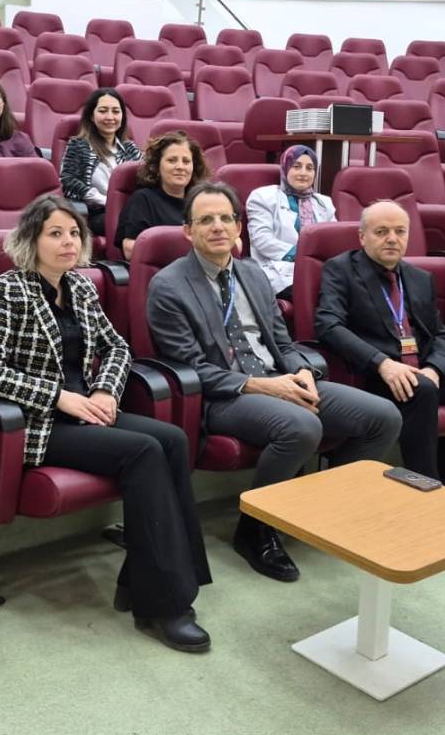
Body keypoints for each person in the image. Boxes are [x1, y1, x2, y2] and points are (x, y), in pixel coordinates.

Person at [0, 196, 211, 653]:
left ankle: (148, 578)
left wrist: (104, 393)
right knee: (144, 451)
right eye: (55, 233)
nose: (68, 242)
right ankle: (163, 605)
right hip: (41, 422)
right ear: (31, 240)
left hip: (90, 411)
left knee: (174, 440)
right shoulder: (7, 290)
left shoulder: (80, 287)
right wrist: (61, 397)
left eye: (74, 233)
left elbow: (117, 348)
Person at [147, 183, 402, 582]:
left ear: (239, 228)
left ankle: (319, 508)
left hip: (279, 379)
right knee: (301, 426)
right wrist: (265, 387)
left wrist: (302, 372)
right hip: (225, 395)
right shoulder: (168, 285)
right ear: (188, 231)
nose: (218, 227)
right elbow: (192, 368)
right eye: (206, 220)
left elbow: (283, 343)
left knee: (383, 416)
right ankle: (255, 530)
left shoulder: (253, 273)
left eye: (226, 218)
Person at [316, 200, 445, 495]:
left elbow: (441, 333)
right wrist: (382, 363)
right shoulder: (341, 269)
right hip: (372, 374)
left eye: (400, 231)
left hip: (421, 369)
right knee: (420, 390)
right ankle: (426, 489)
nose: (392, 239)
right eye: (382, 231)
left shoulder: (418, 277)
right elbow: (328, 326)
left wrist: (435, 369)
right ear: (362, 236)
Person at [246, 145, 338, 298]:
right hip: (278, 269)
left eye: (309, 168)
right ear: (285, 168)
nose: (303, 173)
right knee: (321, 291)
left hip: (318, 268)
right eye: (296, 166)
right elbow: (262, 240)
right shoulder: (263, 197)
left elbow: (333, 240)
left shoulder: (324, 203)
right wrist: (303, 256)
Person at [59, 88, 142, 239]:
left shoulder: (129, 148)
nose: (110, 117)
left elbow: (144, 179)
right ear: (91, 115)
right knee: (135, 223)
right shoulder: (79, 145)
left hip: (129, 210)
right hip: (97, 213)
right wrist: (107, 201)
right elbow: (68, 181)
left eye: (116, 111)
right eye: (103, 111)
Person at [116, 130, 209, 261]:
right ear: (156, 166)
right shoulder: (142, 199)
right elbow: (130, 249)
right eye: (172, 160)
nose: (180, 167)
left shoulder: (203, 201)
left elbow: (233, 241)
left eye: (186, 161)